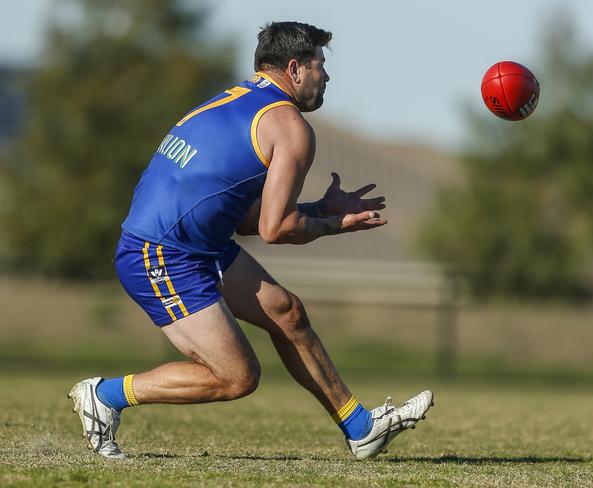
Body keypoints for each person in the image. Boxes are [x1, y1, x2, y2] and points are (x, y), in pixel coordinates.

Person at [68, 21, 433, 460]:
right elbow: (274, 229)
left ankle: (361, 429)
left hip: (197, 246)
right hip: (161, 254)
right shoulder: (290, 126)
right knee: (237, 376)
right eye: (321, 66)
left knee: (287, 312)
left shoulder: (233, 101)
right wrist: (340, 224)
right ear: (295, 69)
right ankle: (105, 395)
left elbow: (244, 221)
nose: (327, 76)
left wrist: (320, 208)